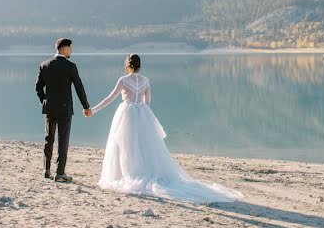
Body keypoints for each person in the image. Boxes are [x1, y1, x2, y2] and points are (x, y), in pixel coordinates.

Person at [89, 54, 242, 203]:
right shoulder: (145, 81)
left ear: (127, 65)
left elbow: (110, 98)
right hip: (142, 114)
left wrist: (93, 110)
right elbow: (147, 102)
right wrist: (142, 114)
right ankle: (141, 172)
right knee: (143, 146)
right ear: (139, 65)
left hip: (126, 114)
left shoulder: (123, 80)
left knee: (124, 145)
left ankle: (124, 174)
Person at [35, 38, 92, 183]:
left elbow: (38, 87)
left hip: (49, 108)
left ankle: (46, 169)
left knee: (49, 138)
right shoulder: (70, 66)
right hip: (65, 108)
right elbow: (79, 87)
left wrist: (44, 101)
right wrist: (86, 106)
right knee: (63, 140)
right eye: (70, 48)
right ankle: (60, 173)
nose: (71, 51)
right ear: (64, 49)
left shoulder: (44, 65)